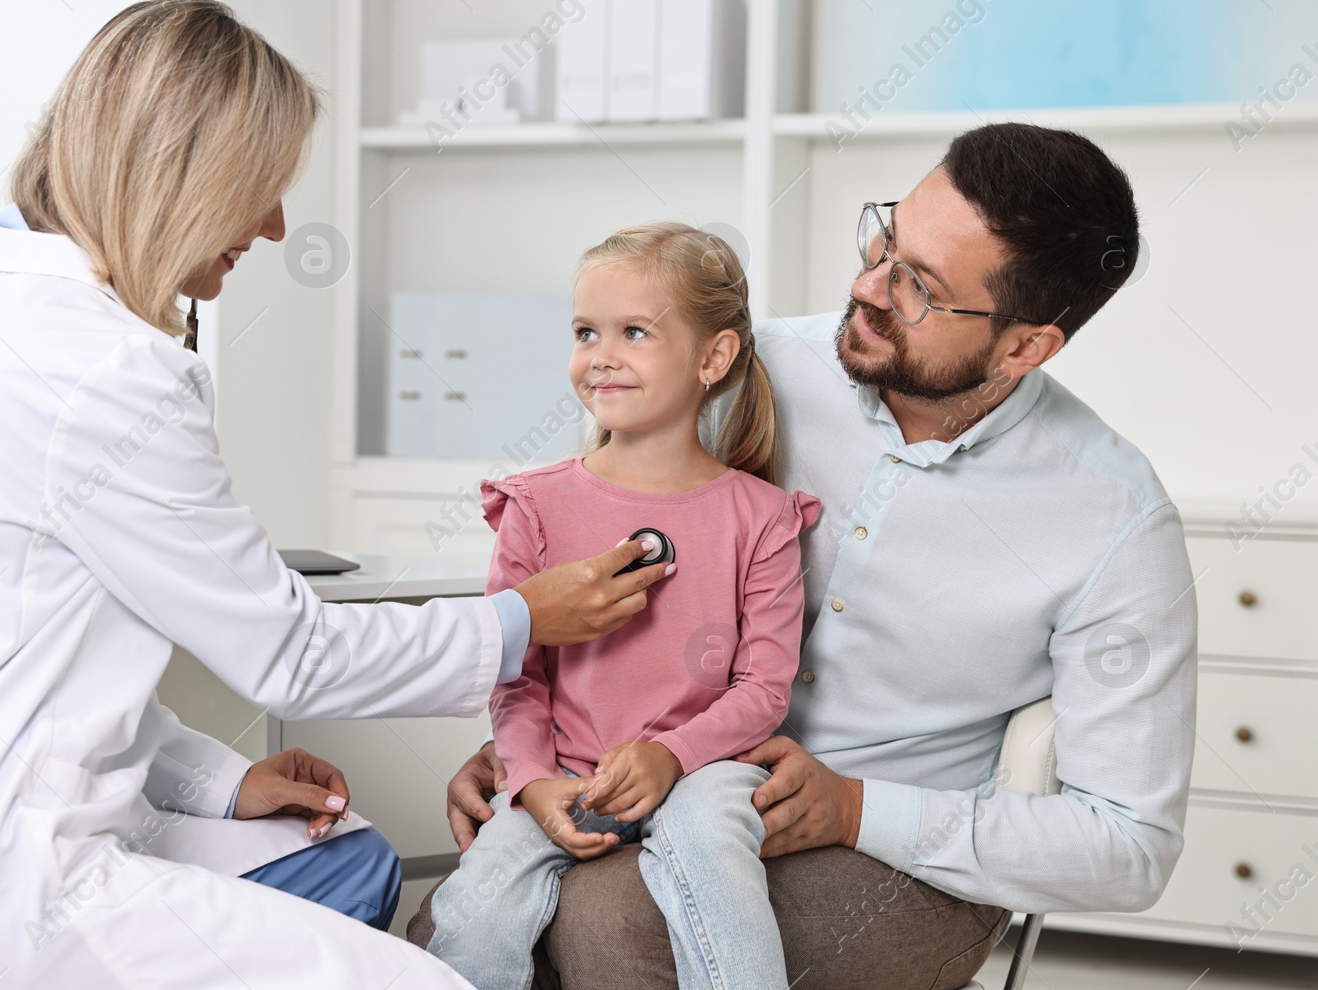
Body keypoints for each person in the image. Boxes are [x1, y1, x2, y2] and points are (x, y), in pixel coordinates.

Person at [0, 0, 669, 990]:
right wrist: (522, 620)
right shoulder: (107, 372)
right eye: (261, 189)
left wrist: (222, 780)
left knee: (344, 860)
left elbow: (36, 663)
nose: (276, 225)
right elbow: (292, 653)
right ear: (180, 178)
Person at [410, 124, 1198, 990]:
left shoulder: (1113, 517)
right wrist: (531, 758)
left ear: (1025, 347)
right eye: (883, 240)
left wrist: (857, 809)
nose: (866, 286)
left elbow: (1130, 846)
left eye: (918, 288)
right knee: (447, 921)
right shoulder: (741, 370)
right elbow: (584, 574)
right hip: (658, 775)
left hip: (902, 862)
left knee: (610, 927)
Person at [425, 224, 821, 990]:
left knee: (711, 839)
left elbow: (764, 691)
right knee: (473, 904)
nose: (600, 354)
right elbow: (516, 674)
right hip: (564, 768)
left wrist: (671, 754)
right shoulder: (534, 506)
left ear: (714, 359)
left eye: (634, 331)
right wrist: (533, 781)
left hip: (702, 767)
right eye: (585, 332)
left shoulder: (764, 517)